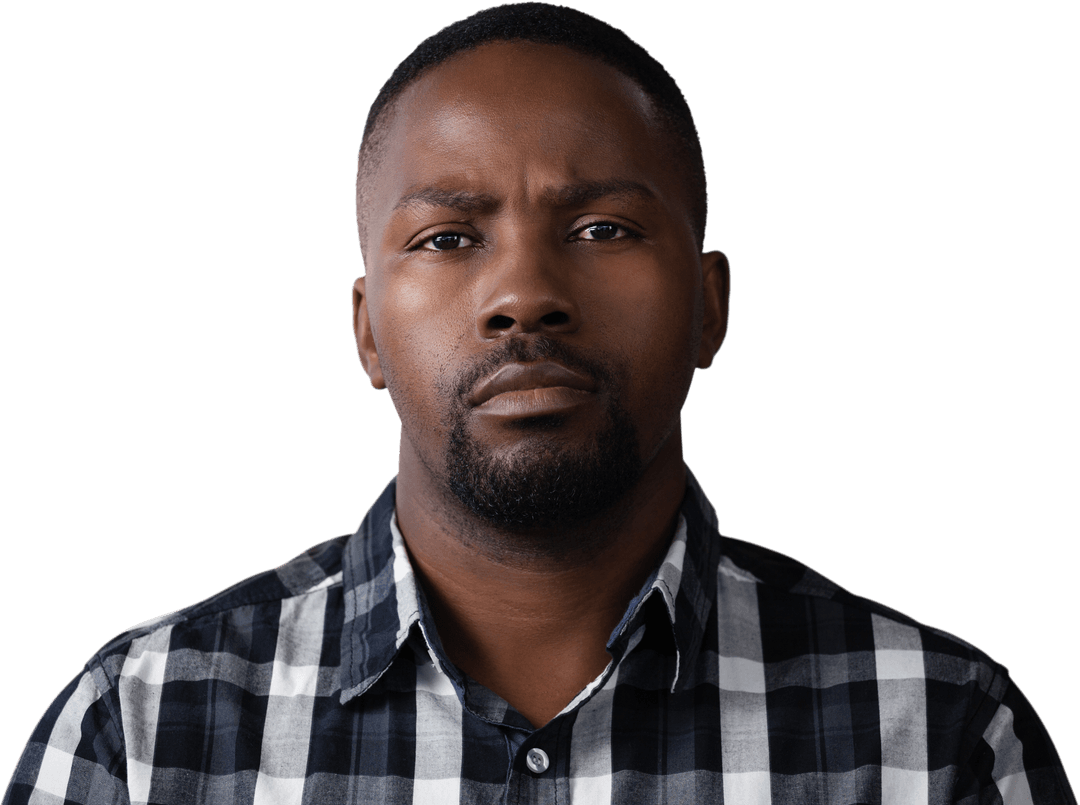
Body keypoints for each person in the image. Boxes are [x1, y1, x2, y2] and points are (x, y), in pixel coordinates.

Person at [4, 3, 1074, 803]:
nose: (525, 296)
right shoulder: (144, 730)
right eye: (448, 238)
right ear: (368, 327)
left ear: (709, 309)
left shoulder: (936, 732)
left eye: (604, 228)